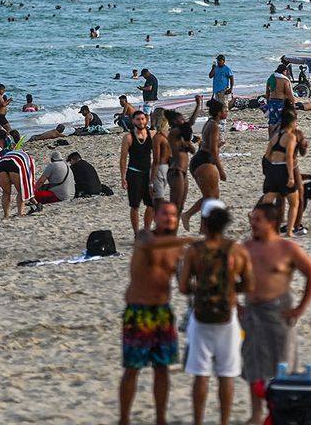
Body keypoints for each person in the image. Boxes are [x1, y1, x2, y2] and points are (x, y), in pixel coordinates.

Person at [119, 200, 196, 425]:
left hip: (162, 312)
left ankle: (161, 418)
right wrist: (192, 241)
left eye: (173, 215)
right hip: (138, 312)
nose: (169, 219)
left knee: (162, 367)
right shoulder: (145, 237)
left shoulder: (178, 251)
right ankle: (124, 419)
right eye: (165, 215)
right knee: (132, 368)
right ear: (156, 217)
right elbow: (151, 244)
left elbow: (183, 284)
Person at [241, 203, 311, 425]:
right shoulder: (245, 248)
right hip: (253, 311)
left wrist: (301, 308)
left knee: (283, 362)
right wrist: (237, 305)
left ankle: (281, 412)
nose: (252, 224)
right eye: (252, 219)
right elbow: (228, 277)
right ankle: (256, 414)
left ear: (272, 223)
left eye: (257, 220)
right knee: (253, 362)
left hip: (279, 311)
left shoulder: (288, 248)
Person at [179, 200, 253, 425]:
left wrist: (199, 287)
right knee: (226, 374)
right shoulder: (237, 250)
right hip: (226, 316)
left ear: (205, 223)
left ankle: (198, 420)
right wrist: (231, 289)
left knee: (200, 374)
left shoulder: (194, 251)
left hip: (201, 316)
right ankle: (224, 421)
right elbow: (249, 285)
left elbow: (183, 287)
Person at [185, 99, 228, 228]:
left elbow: (205, 144)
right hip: (204, 161)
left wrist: (217, 145)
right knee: (210, 198)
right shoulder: (214, 125)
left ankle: (203, 228)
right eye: (225, 110)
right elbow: (214, 150)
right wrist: (221, 170)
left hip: (200, 159)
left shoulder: (210, 123)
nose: (227, 112)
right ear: (220, 113)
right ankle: (187, 215)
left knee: (212, 198)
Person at [261, 108, 300, 234]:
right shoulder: (290, 137)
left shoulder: (275, 136)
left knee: (267, 202)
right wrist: (291, 177)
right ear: (292, 123)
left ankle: (261, 223)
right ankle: (289, 231)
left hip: (273, 170)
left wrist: (269, 171)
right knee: (294, 203)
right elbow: (288, 157)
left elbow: (267, 155)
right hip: (283, 169)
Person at [120, 110, 156, 233]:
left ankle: (146, 230)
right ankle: (136, 233)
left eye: (142, 119)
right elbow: (123, 158)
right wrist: (123, 177)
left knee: (151, 204)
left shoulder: (152, 134)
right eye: (138, 119)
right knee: (135, 205)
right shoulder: (128, 137)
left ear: (146, 120)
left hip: (148, 174)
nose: (141, 121)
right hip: (133, 174)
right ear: (133, 121)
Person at [0, 129, 36, 218]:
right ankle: (20, 213)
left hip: (1, 164)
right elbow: (30, 176)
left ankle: (6, 215)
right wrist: (32, 197)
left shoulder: (8, 152)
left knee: (6, 192)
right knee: (21, 191)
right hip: (15, 163)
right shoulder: (24, 154)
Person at [265, 63, 295, 136]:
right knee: (281, 120)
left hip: (272, 101)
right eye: (286, 72)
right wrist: (293, 101)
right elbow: (288, 93)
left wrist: (268, 101)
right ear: (284, 71)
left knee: (272, 121)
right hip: (280, 102)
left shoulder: (271, 78)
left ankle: (270, 137)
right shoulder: (284, 80)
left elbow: (267, 92)